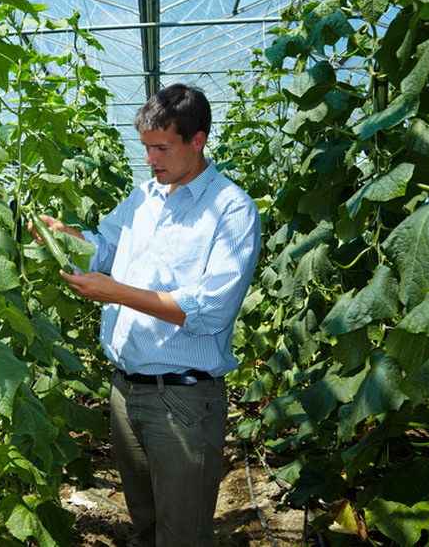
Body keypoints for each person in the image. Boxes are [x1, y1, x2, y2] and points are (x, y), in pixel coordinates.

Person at [31, 83, 262, 546]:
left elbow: (211, 310)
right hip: (126, 392)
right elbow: (105, 247)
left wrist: (116, 292)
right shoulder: (145, 196)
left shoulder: (231, 210)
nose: (151, 159)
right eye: (146, 148)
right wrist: (69, 236)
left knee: (182, 535)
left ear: (197, 140)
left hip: (183, 400)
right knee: (146, 526)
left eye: (161, 147)